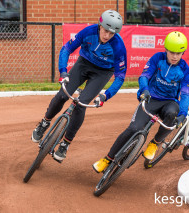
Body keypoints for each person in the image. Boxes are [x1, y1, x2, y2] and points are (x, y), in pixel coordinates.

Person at [31, 10, 127, 162]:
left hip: (102, 73)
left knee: (81, 105)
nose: (107, 36)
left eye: (111, 33)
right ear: (99, 25)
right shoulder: (88, 32)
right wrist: (63, 72)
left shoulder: (119, 46)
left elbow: (120, 77)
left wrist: (105, 95)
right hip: (83, 64)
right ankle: (45, 122)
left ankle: (65, 143)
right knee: (62, 94)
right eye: (105, 31)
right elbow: (66, 49)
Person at [93, 31, 189, 173]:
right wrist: (144, 90)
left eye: (179, 53)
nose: (175, 56)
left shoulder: (185, 71)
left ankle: (155, 143)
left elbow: (185, 94)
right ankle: (107, 159)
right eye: (172, 52)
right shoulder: (157, 58)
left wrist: (183, 113)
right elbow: (144, 76)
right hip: (151, 98)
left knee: (172, 114)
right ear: (166, 50)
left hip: (169, 102)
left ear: (183, 53)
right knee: (133, 128)